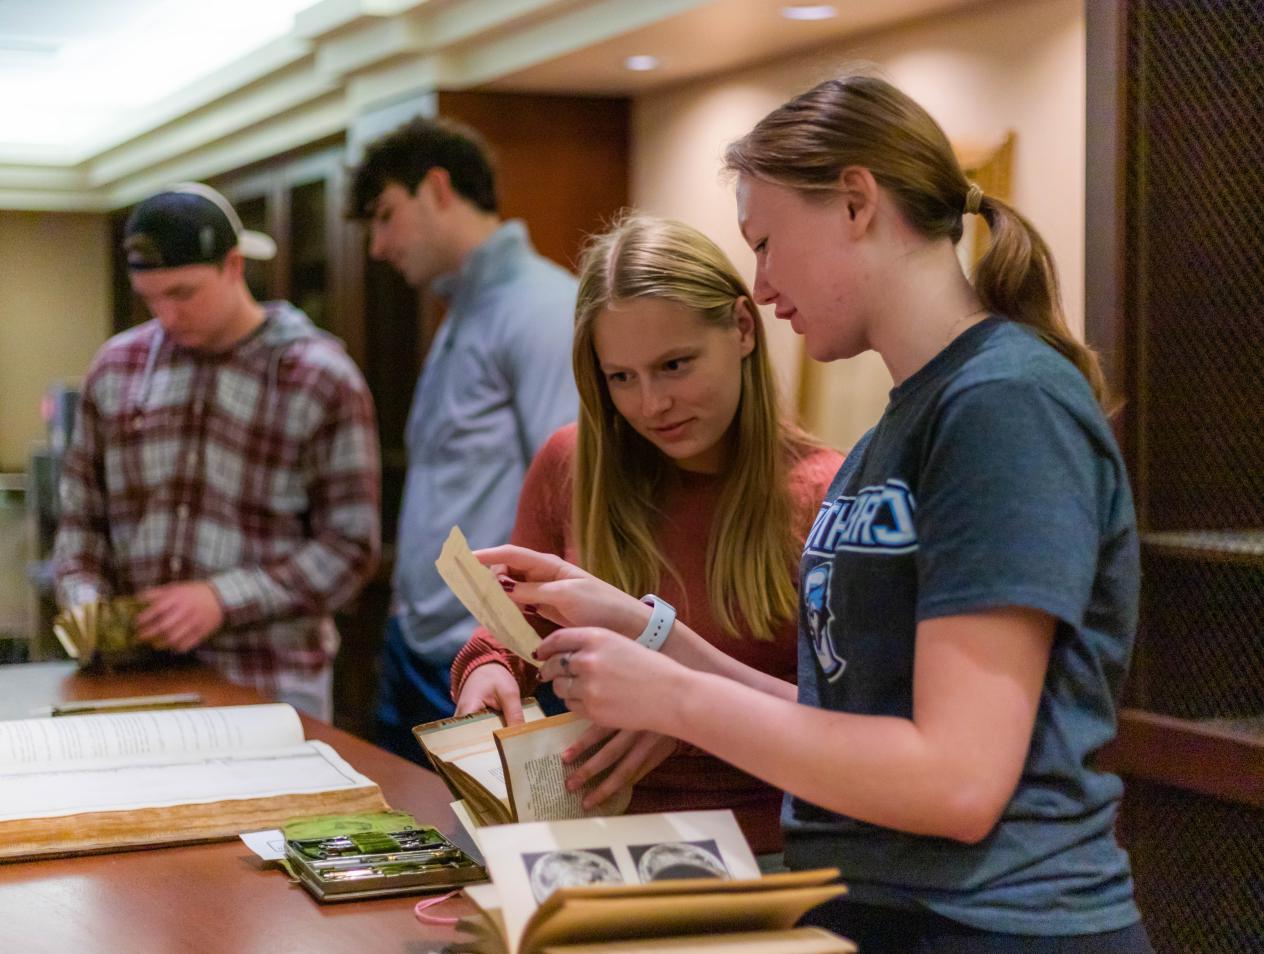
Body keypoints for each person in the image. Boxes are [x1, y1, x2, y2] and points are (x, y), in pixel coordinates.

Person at [478, 73, 1154, 953]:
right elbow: (843, 725)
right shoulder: (901, 425)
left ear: (855, 203)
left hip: (997, 923)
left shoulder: (1002, 404)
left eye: (765, 242)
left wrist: (676, 696)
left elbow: (955, 780)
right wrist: (651, 634)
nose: (759, 285)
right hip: (885, 909)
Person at [449, 214, 842, 856]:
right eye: (621, 377)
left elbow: (851, 735)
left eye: (675, 365)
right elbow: (520, 627)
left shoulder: (824, 493)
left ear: (743, 329)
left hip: (769, 851)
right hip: (595, 843)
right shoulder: (571, 466)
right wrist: (488, 668)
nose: (651, 404)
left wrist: (687, 716)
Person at [54, 183, 380, 719]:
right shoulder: (116, 369)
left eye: (182, 293)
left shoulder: (319, 377)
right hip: (136, 680)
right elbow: (82, 522)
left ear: (234, 265)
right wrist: (82, 600)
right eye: (151, 298)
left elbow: (349, 548)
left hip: (272, 682)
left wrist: (222, 599)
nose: (167, 316)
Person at [348, 117, 578, 761]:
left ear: (438, 188)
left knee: (480, 855)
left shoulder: (540, 308)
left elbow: (567, 497)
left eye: (385, 215)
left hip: (485, 652)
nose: (377, 245)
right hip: (420, 642)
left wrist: (503, 645)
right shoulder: (464, 312)